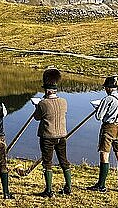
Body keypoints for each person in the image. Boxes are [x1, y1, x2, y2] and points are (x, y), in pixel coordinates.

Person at [33, 67, 71, 197]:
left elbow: (37, 117)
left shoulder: (43, 103)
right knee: (64, 161)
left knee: (47, 162)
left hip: (48, 136)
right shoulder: (64, 101)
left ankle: (49, 190)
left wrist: (37, 106)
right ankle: (68, 187)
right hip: (62, 135)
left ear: (47, 90)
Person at [88, 76, 118, 193]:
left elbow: (98, 116)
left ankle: (101, 185)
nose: (105, 89)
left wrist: (99, 108)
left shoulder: (108, 99)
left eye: (105, 87)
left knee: (104, 155)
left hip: (109, 128)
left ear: (109, 88)